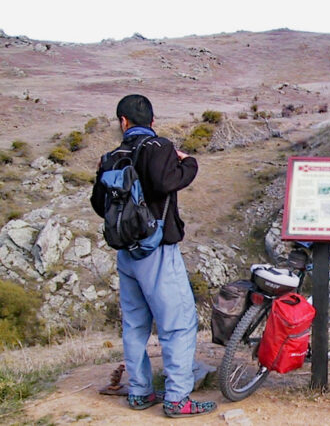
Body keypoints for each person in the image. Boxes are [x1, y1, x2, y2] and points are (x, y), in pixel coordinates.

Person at [90, 94, 215, 417]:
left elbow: (97, 203)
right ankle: (176, 398)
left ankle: (140, 392)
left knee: (134, 325)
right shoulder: (158, 147)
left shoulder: (111, 156)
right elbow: (166, 181)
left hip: (125, 252)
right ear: (153, 122)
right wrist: (189, 162)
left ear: (123, 122)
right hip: (156, 250)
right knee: (178, 324)